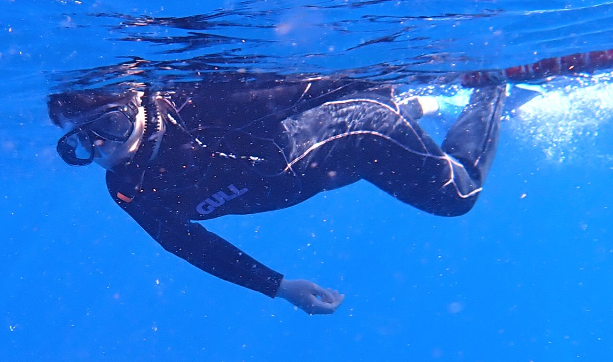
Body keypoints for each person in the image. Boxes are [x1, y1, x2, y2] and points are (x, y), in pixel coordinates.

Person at [48, 75, 504, 315]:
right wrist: (279, 287)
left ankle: (490, 87)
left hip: (360, 135)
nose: (102, 146)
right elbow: (188, 244)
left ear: (138, 104)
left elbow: (316, 86)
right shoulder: (128, 189)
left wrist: (392, 75)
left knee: (457, 197)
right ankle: (421, 106)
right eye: (82, 143)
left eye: (110, 125)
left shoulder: (201, 106)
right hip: (322, 174)